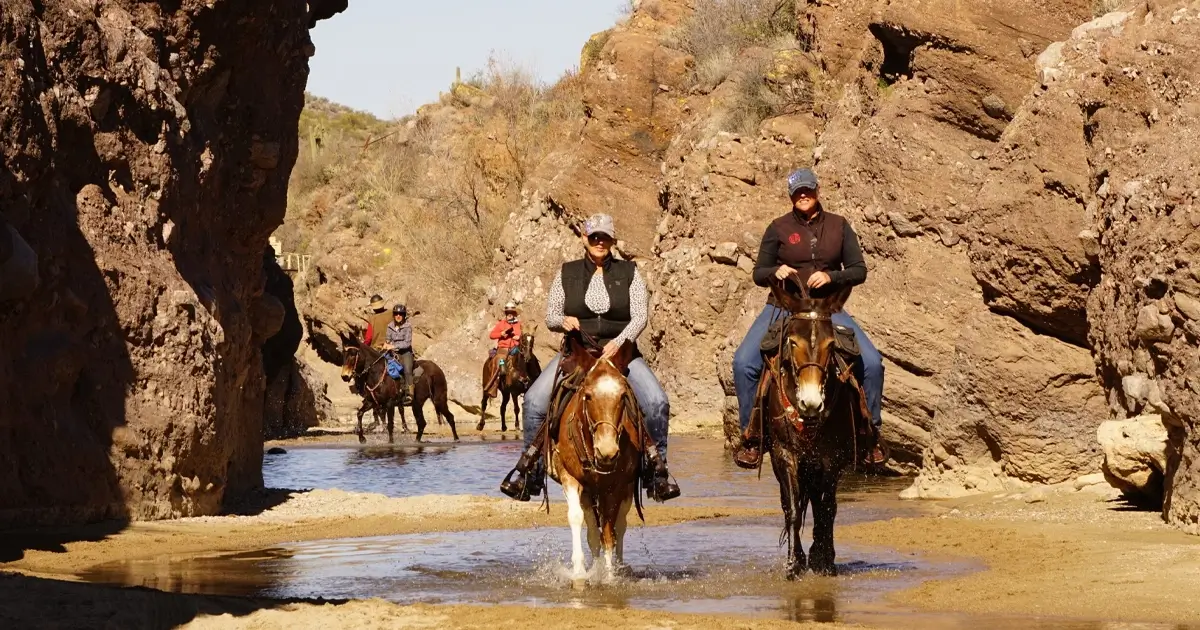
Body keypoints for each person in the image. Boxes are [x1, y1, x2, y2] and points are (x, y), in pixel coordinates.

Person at [499, 213, 680, 503]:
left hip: (620, 353)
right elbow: (550, 316)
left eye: (604, 238)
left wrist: (619, 342)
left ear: (612, 241)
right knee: (533, 401)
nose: (599, 242)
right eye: (594, 237)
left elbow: (640, 317)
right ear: (585, 238)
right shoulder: (566, 272)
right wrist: (564, 321)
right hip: (577, 354)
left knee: (657, 401)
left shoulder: (630, 272)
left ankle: (655, 472)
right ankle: (529, 475)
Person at [731, 168, 885, 468]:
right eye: (797, 192)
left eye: (808, 190)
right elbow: (758, 273)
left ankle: (870, 435)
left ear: (817, 191)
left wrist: (831, 276)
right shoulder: (778, 227)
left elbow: (859, 271)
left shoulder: (840, 226)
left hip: (830, 308)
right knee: (743, 363)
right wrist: (775, 271)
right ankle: (752, 436)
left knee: (873, 364)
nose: (803, 196)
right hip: (783, 306)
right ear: (791, 196)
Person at [485, 303, 523, 397]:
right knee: (500, 362)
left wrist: (519, 337)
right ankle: (493, 386)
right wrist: (501, 334)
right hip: (503, 350)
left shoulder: (519, 325)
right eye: (508, 313)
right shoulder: (501, 324)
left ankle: (526, 383)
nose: (509, 315)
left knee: (526, 360)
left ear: (515, 314)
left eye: (511, 313)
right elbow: (491, 335)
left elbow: (524, 335)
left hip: (515, 349)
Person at [384, 304, 415, 404]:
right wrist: (386, 344)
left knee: (407, 370)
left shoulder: (408, 326)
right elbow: (388, 339)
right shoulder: (390, 326)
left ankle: (410, 394)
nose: (398, 316)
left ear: (404, 315)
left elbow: (407, 343)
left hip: (405, 352)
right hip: (393, 352)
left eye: (400, 314)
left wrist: (393, 346)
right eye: (396, 314)